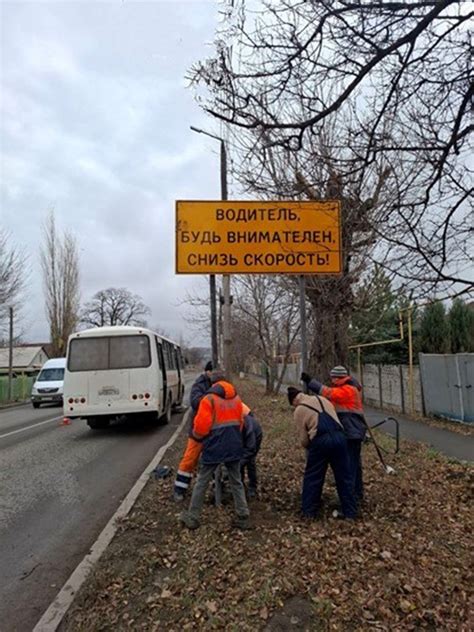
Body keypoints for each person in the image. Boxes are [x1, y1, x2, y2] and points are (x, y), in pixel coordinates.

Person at [180, 370, 250, 530]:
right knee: (236, 481)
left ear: (213, 384)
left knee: (202, 481)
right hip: (234, 444)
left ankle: (193, 517)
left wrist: (199, 437)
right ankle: (243, 515)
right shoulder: (237, 399)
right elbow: (240, 422)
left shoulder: (208, 399)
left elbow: (201, 428)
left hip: (214, 446)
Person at [287, 386, 357, 520]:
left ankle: (309, 512)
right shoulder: (323, 399)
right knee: (344, 477)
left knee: (313, 477)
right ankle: (350, 512)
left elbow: (303, 438)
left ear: (294, 401)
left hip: (321, 441)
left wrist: (308, 446)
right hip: (340, 438)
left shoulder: (299, 410)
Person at [301, 366, 366, 504]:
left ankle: (352, 497)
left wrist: (311, 382)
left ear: (338, 378)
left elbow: (329, 393)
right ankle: (357, 494)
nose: (331, 380)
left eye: (333, 378)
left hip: (351, 432)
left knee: (350, 467)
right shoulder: (349, 387)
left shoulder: (348, 390)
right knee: (354, 465)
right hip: (352, 431)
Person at [173, 361, 213, 501]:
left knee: (213, 461)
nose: (213, 375)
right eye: (211, 372)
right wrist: (210, 400)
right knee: (190, 459)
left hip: (214, 430)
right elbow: (195, 401)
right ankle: (179, 489)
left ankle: (213, 489)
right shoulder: (199, 384)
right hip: (199, 429)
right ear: (207, 372)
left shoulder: (218, 384)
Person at [240, 404, 263, 498]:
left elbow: (250, 449)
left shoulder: (250, 430)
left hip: (255, 436)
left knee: (250, 461)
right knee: (238, 458)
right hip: (242, 434)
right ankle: (240, 484)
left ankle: (252, 486)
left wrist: (239, 463)